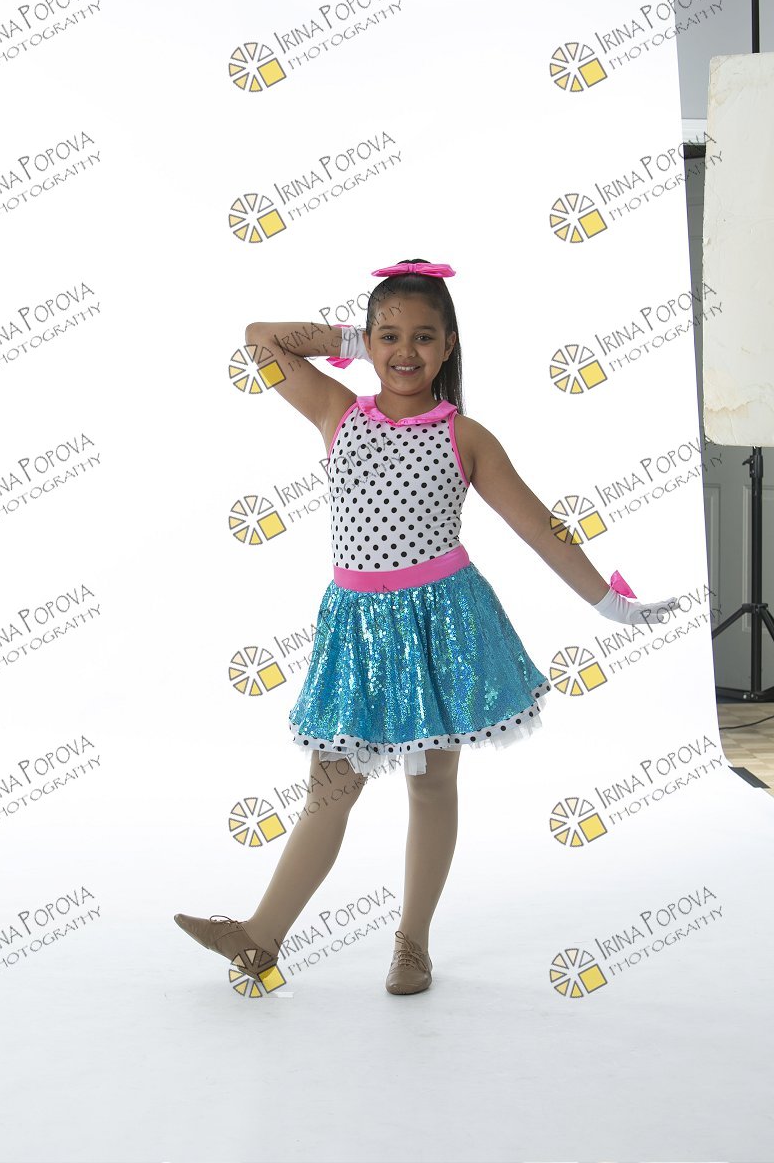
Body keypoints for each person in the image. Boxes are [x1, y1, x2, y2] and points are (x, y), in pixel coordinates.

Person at [174, 258, 681, 996]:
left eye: (423, 336)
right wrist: (350, 339)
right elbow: (259, 338)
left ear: (449, 346)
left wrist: (608, 602)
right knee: (330, 788)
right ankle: (260, 938)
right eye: (388, 336)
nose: (405, 351)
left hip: (442, 623)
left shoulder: (465, 436)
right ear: (367, 342)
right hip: (356, 629)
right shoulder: (337, 411)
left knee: (431, 783)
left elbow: (539, 528)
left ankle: (412, 945)